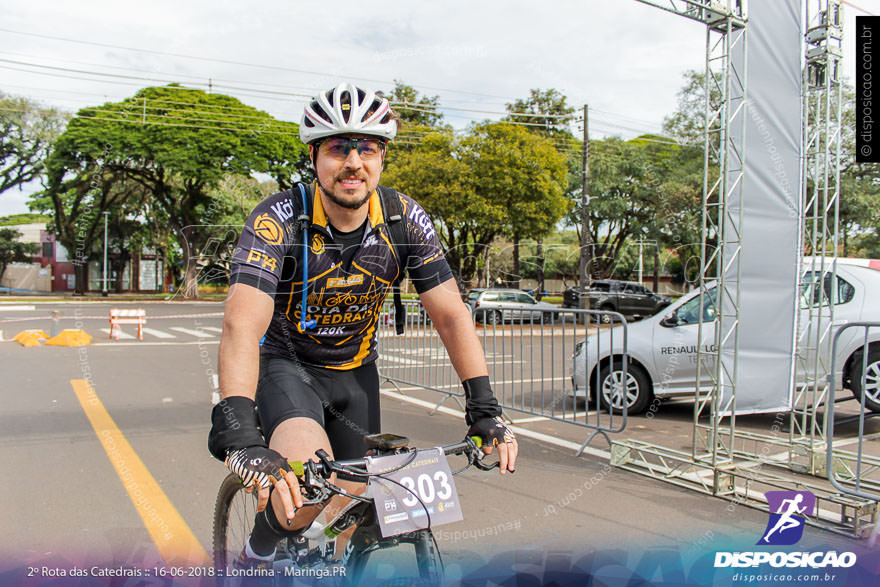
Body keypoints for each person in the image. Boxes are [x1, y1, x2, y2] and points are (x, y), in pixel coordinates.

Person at [208, 82, 518, 567]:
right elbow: (241, 324)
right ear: (314, 156)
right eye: (337, 147)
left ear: (382, 156)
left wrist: (485, 407)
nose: (353, 161)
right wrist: (240, 431)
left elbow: (451, 314)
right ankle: (257, 554)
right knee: (303, 492)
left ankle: (332, 567)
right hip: (287, 370)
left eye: (367, 147)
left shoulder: (404, 219)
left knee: (356, 503)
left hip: (356, 374)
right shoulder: (280, 220)